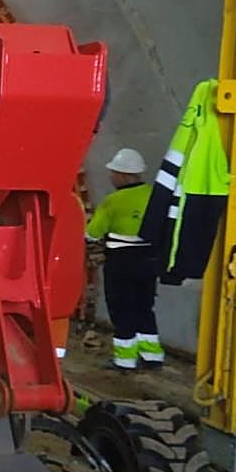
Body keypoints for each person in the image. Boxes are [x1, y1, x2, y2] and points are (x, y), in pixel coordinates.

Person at [86, 147, 162, 370]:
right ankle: (152, 356)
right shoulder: (155, 195)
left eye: (113, 173)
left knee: (122, 308)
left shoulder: (113, 201)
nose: (111, 177)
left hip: (121, 262)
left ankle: (125, 360)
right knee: (144, 306)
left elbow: (92, 233)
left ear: (123, 175)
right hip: (150, 260)